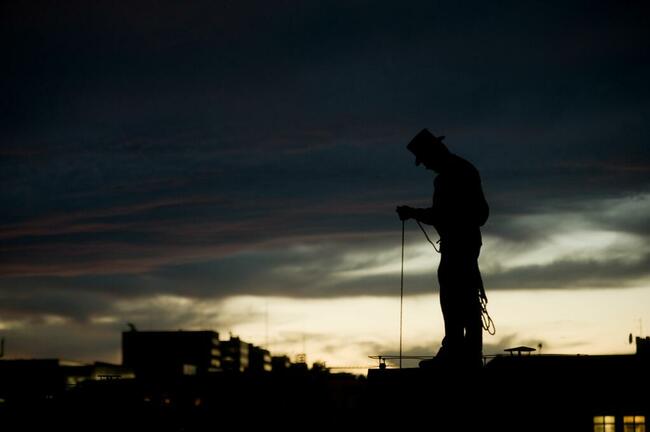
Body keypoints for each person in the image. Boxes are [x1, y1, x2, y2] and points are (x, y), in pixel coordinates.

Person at [396, 128, 489, 369]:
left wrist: (415, 213)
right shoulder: (465, 170)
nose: (425, 166)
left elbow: (445, 215)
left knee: (455, 297)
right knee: (463, 297)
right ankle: (467, 354)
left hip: (458, 244)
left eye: (425, 160)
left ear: (433, 154)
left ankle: (457, 353)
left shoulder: (450, 176)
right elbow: (479, 214)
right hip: (464, 243)